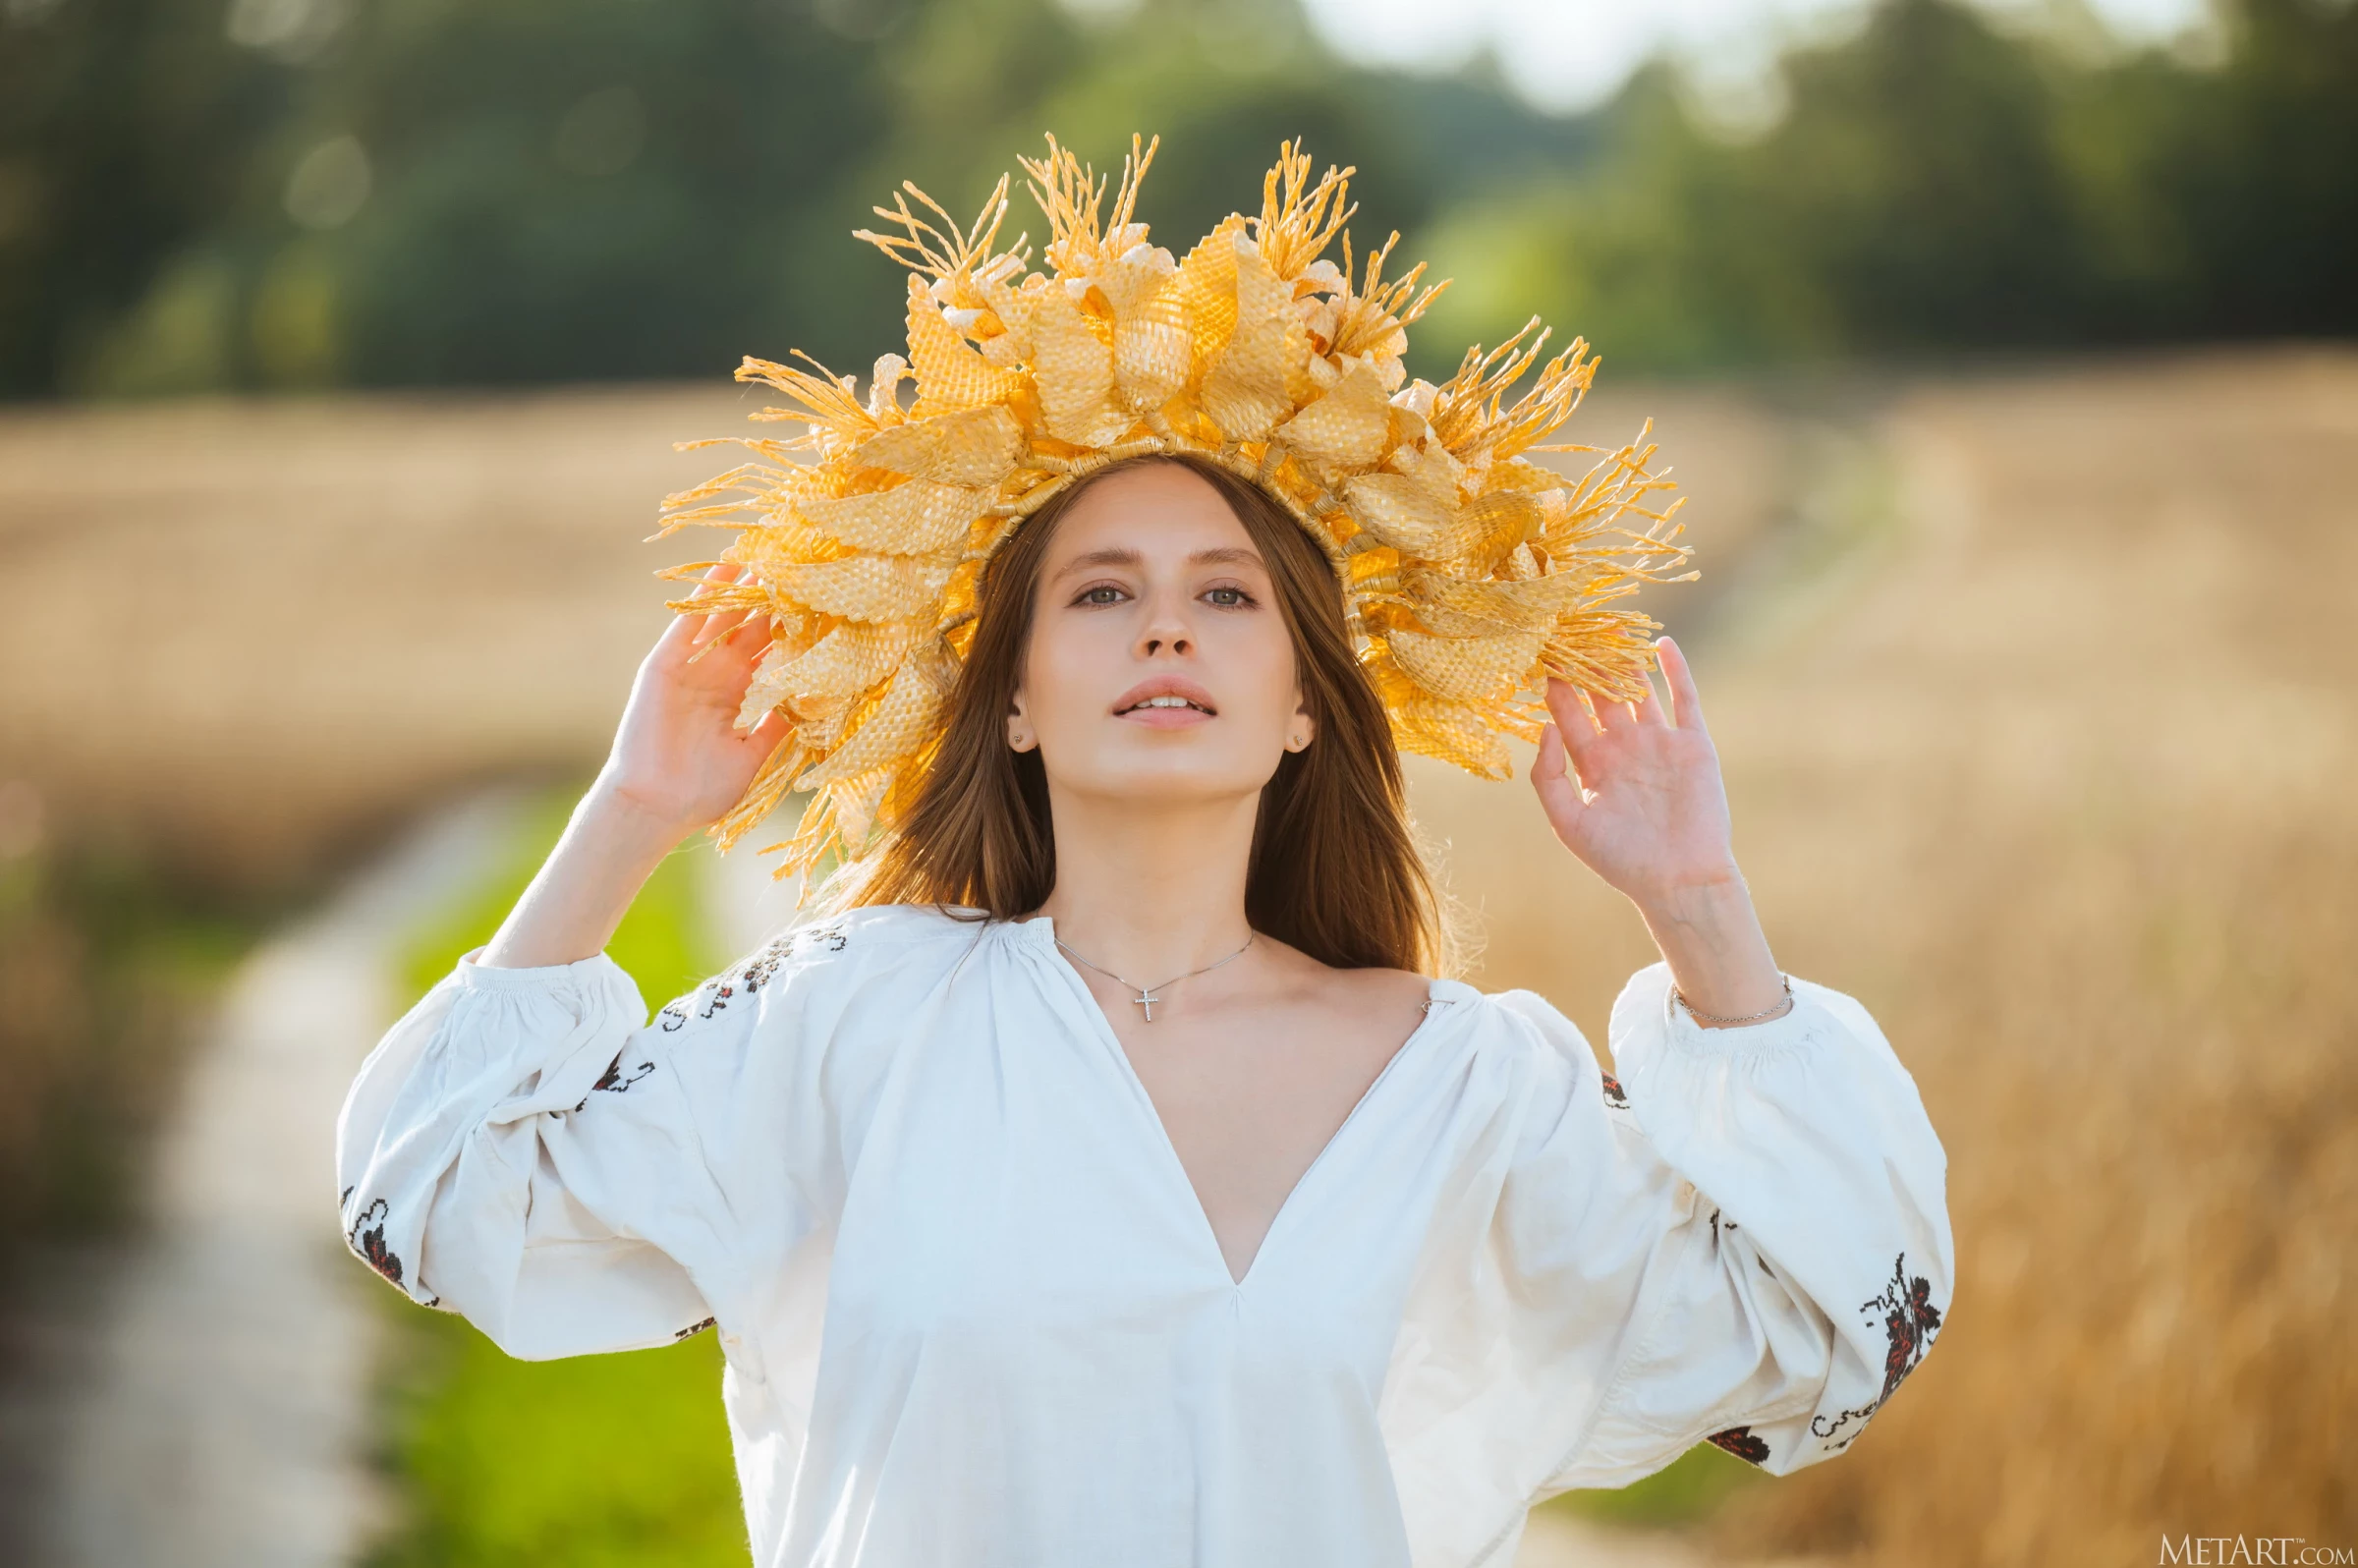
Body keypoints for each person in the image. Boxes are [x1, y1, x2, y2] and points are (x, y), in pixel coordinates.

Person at [337, 137, 1950, 1568]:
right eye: (1100, 591)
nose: (1165, 618)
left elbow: (1826, 1330)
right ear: (1019, 700)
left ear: (1308, 709)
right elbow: (435, 1186)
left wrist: (1697, 903)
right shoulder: (848, 1024)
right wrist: (635, 813)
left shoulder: (1465, 1087)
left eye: (1229, 592)